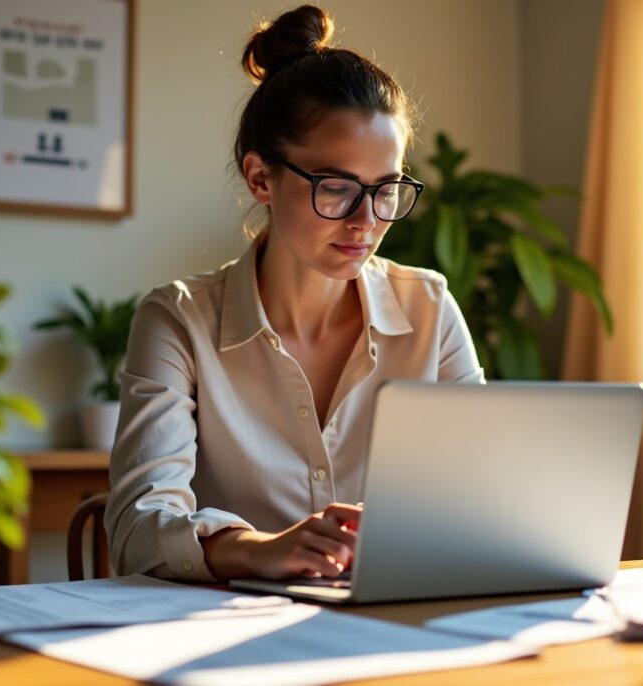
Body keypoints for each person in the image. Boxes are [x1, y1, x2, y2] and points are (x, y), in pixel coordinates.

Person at [105, 5, 483, 583]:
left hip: (395, 628)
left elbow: (483, 499)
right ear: (261, 178)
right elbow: (139, 529)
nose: (366, 220)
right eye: (336, 188)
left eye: (386, 190)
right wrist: (260, 549)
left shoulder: (428, 310)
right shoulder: (178, 321)